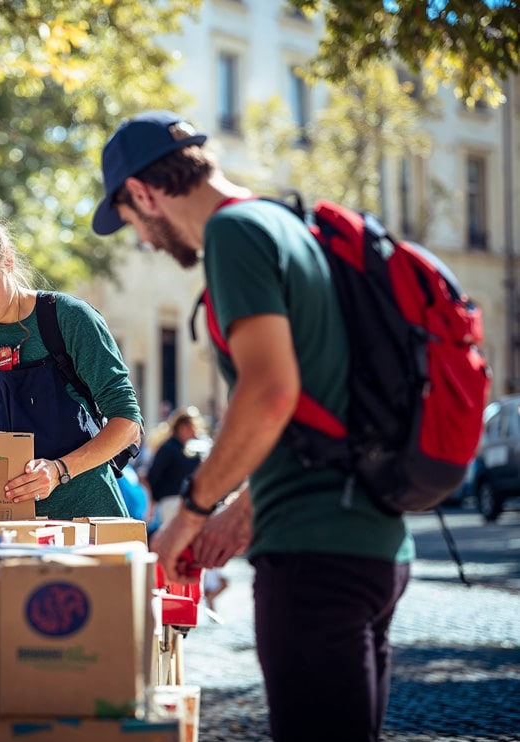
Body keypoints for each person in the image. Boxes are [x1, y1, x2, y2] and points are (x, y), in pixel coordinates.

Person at [91, 111, 414, 742]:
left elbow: (268, 394)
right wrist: (238, 513)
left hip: (313, 561)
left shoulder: (234, 235)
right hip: (371, 544)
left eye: (132, 222)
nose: (146, 240)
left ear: (141, 193)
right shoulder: (286, 223)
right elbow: (313, 410)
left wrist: (188, 515)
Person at [0, 190, 142, 520]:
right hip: (3, 528)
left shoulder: (68, 319)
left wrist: (58, 470)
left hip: (87, 517)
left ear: (8, 261)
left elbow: (127, 422)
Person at [145, 405, 207, 531]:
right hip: (170, 501)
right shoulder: (168, 448)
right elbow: (153, 475)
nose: (194, 431)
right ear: (181, 427)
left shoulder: (194, 448)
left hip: (189, 502)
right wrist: (153, 501)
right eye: (191, 427)